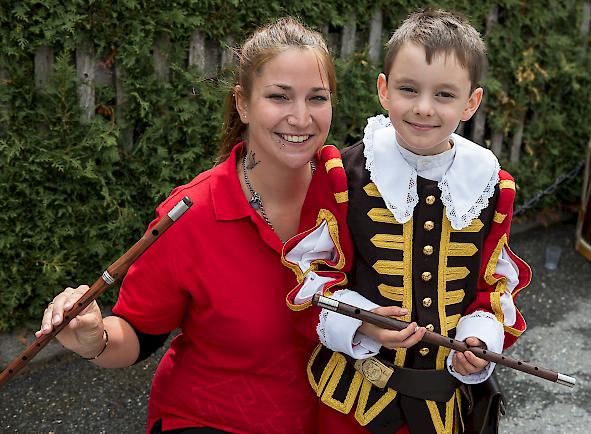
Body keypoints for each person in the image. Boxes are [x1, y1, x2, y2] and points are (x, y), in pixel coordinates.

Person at [35, 17, 349, 434]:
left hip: (338, 421)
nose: (300, 117)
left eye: (317, 98)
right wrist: (96, 339)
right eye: (279, 97)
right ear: (243, 103)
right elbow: (139, 333)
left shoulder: (355, 193)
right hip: (211, 420)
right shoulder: (190, 214)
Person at [281, 9, 532, 433]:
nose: (423, 108)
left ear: (471, 102)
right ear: (384, 90)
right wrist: (362, 322)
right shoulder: (343, 175)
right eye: (408, 89)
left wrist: (477, 343)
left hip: (443, 406)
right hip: (352, 403)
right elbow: (312, 278)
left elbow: (492, 289)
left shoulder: (492, 187)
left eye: (445, 95)